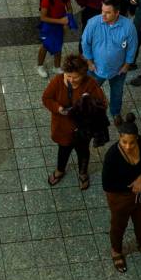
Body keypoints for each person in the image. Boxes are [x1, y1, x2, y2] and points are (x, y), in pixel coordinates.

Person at [102, 113, 141, 273]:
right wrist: (132, 187)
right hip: (119, 196)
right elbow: (107, 184)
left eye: (132, 142)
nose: (128, 146)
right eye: (124, 142)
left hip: (139, 192)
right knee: (118, 225)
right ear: (119, 138)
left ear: (137, 138)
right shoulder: (112, 155)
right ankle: (116, 251)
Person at [42, 53, 106, 189]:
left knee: (83, 152)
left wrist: (89, 106)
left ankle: (83, 173)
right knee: (63, 151)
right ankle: (60, 170)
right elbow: (46, 98)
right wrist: (58, 108)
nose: (71, 80)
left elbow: (103, 104)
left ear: (83, 75)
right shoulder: (58, 81)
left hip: (83, 130)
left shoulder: (90, 84)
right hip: (63, 128)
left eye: (75, 77)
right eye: (68, 75)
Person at [81, 0, 138, 125]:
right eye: (102, 11)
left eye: (108, 12)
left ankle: (115, 113)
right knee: (90, 92)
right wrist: (89, 62)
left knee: (117, 93)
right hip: (96, 69)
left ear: (117, 13)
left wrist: (127, 65)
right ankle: (89, 112)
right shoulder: (93, 23)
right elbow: (85, 43)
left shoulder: (128, 26)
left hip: (118, 70)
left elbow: (132, 47)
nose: (103, 15)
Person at [38, 0, 72, 77]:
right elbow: (43, 18)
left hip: (60, 24)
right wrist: (60, 21)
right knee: (45, 45)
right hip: (48, 26)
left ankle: (56, 67)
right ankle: (40, 66)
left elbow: (69, 8)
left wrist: (67, 20)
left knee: (59, 44)